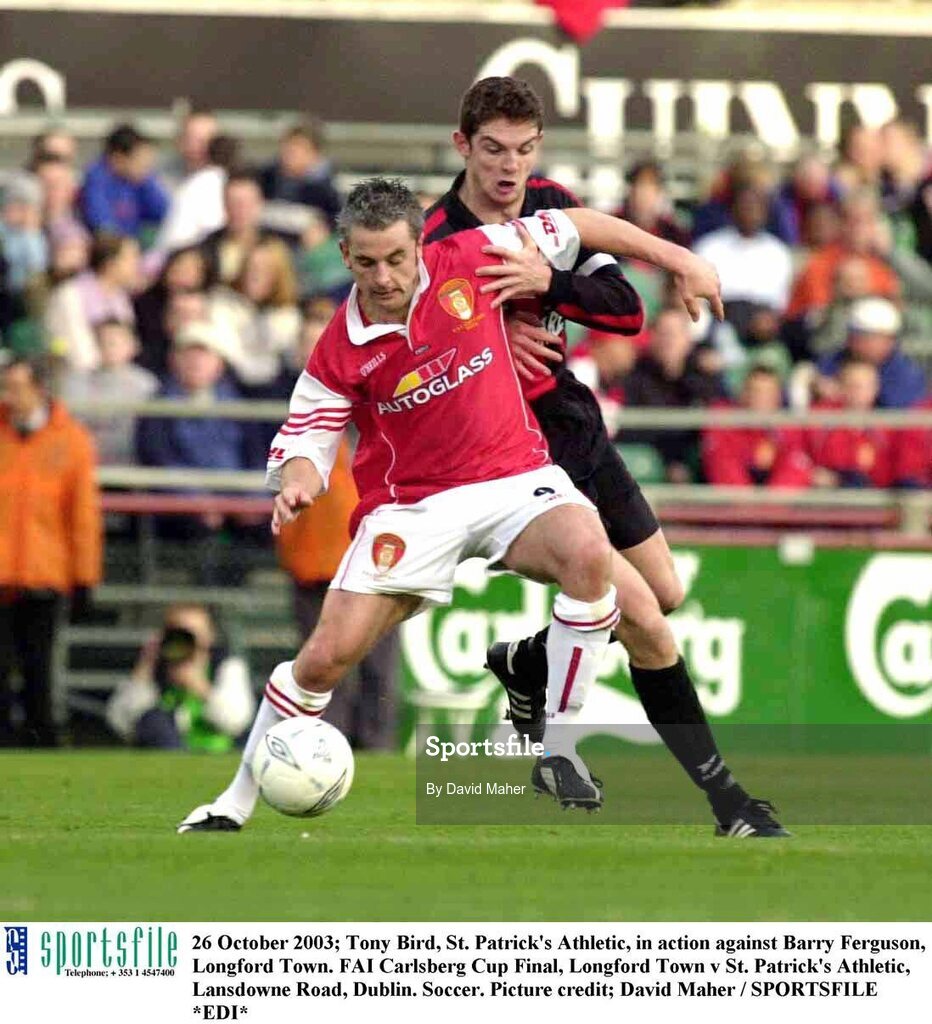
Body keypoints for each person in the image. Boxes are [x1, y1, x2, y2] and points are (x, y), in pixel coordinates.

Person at [179, 177, 785, 838]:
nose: (383, 277)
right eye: (366, 263)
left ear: (420, 245)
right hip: (413, 509)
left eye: (396, 259)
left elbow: (582, 225)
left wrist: (683, 260)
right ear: (345, 258)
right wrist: (297, 481)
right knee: (323, 659)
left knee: (588, 551)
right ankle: (230, 804)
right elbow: (307, 436)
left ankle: (557, 747)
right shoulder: (338, 347)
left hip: (512, 477)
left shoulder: (473, 254)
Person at [423, 77, 785, 837]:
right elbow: (418, 351)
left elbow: (625, 309)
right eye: (492, 149)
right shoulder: (437, 241)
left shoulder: (550, 207)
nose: (509, 168)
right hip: (508, 453)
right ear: (463, 147)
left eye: (523, 149)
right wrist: (491, 343)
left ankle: (529, 661)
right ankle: (730, 804)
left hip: (572, 424)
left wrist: (547, 282)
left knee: (667, 591)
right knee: (649, 624)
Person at [0, 356, 102, 746]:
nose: (9, 397)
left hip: (45, 572)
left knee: (38, 665)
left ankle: (40, 737)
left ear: (40, 389)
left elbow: (82, 517)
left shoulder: (71, 440)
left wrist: (84, 578)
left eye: (16, 388)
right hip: (5, 571)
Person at [106, 603, 254, 751]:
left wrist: (200, 687)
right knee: (154, 720)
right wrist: (145, 668)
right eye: (179, 633)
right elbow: (120, 722)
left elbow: (236, 721)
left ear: (210, 636)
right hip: (162, 758)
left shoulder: (225, 666)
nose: (186, 642)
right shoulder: (153, 667)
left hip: (212, 756)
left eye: (194, 634)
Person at [60, 319, 158, 465]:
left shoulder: (147, 385)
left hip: (130, 467)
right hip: (84, 465)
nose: (108, 347)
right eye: (102, 341)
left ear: (133, 346)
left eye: (115, 342)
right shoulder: (75, 381)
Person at [702, 365, 812, 487]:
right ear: (744, 395)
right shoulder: (724, 422)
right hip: (733, 503)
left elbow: (795, 471)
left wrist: (769, 503)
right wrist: (751, 503)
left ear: (778, 397)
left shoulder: (789, 430)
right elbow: (722, 469)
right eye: (756, 391)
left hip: (774, 503)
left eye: (769, 392)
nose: (762, 398)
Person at [44, 231, 140, 371]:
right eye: (131, 259)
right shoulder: (70, 295)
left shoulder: (120, 298)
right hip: (77, 374)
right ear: (110, 264)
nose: (137, 265)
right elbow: (75, 346)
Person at [80, 124, 169, 239]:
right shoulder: (97, 179)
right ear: (118, 158)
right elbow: (103, 227)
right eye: (140, 161)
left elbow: (166, 214)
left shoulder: (141, 182)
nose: (145, 168)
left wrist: (148, 182)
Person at [258, 118, 341, 229]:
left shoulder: (326, 195)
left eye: (298, 148)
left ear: (314, 154)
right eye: (288, 146)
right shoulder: (264, 180)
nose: (290, 153)